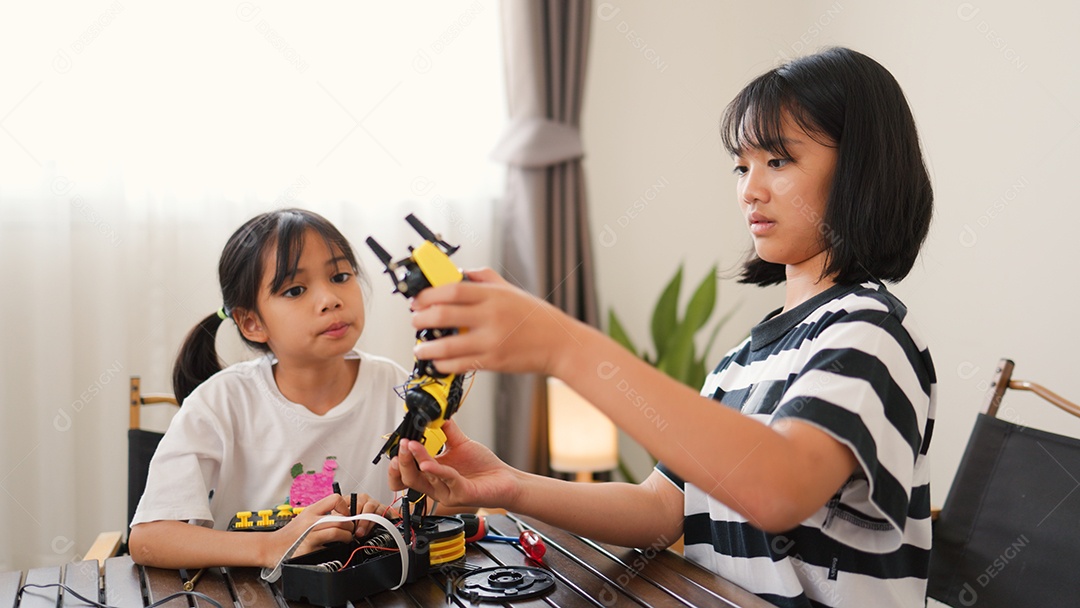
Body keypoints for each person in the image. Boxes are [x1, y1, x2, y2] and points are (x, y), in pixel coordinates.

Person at [390, 47, 935, 607]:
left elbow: (780, 489)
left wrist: (564, 347)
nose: (749, 189)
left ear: (861, 169)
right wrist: (508, 485)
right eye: (741, 166)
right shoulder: (745, 360)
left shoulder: (867, 334)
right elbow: (659, 508)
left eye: (778, 160)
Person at [129, 208, 407, 569]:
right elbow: (150, 539)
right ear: (251, 322)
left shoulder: (398, 387)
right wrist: (273, 546)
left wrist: (392, 515)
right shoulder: (220, 402)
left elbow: (449, 495)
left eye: (340, 276)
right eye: (295, 289)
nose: (330, 300)